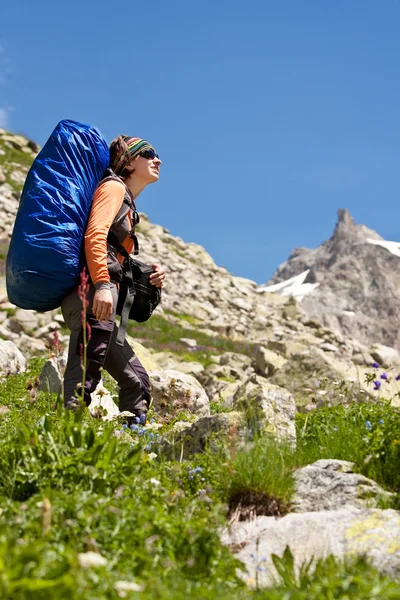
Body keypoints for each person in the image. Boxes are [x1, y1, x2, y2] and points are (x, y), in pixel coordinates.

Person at [61, 135, 165, 424]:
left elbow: (112, 251)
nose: (157, 159)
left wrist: (148, 274)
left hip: (100, 297)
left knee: (136, 380)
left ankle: (134, 442)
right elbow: (94, 235)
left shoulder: (127, 203)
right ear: (129, 162)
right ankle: (65, 439)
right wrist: (104, 285)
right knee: (85, 371)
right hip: (92, 294)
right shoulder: (113, 187)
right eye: (148, 153)